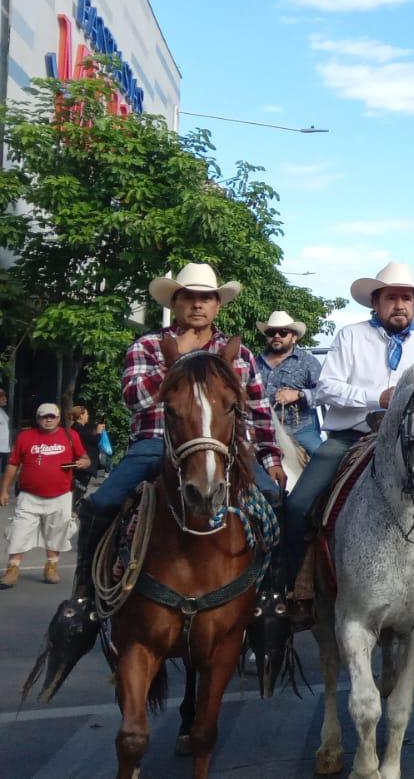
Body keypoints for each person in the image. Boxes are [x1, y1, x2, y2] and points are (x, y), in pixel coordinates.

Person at [52, 263, 284, 653]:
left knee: (275, 500)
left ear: (217, 305)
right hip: (155, 442)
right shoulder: (146, 346)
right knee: (100, 502)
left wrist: (271, 457)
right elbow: (135, 399)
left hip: (227, 451)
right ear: (175, 304)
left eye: (205, 298)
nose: (197, 305)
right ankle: (84, 601)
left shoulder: (239, 354)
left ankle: (269, 600)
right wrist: (180, 362)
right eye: (189, 297)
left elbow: (258, 410)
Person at [277, 261, 414, 624]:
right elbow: (326, 389)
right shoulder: (350, 336)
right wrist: (377, 399)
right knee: (299, 505)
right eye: (392, 298)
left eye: (407, 298)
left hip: (410, 444)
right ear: (376, 303)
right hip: (352, 438)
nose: (400, 305)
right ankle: (293, 588)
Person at [1, 404, 88, 588]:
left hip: (61, 495)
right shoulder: (25, 436)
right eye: (43, 416)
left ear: (58, 418)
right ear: (37, 418)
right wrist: (3, 490)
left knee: (57, 532)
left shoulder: (70, 435)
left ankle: (51, 567)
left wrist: (83, 463)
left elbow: (85, 459)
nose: (48, 419)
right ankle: (12, 569)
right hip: (29, 496)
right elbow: (12, 464)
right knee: (19, 531)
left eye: (51, 416)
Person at [254, 311, 324, 457]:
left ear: (294, 337)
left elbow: (325, 392)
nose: (277, 336)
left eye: (283, 332)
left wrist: (299, 394)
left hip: (301, 429)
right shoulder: (253, 364)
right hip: (263, 430)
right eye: (272, 332)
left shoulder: (308, 362)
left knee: (321, 457)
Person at [67, 406, 100, 506]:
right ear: (81, 416)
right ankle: (72, 509)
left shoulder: (79, 428)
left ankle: (73, 508)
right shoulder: (78, 429)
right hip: (83, 465)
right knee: (79, 488)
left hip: (84, 464)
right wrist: (98, 432)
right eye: (86, 414)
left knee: (80, 488)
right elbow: (93, 440)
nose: (87, 416)